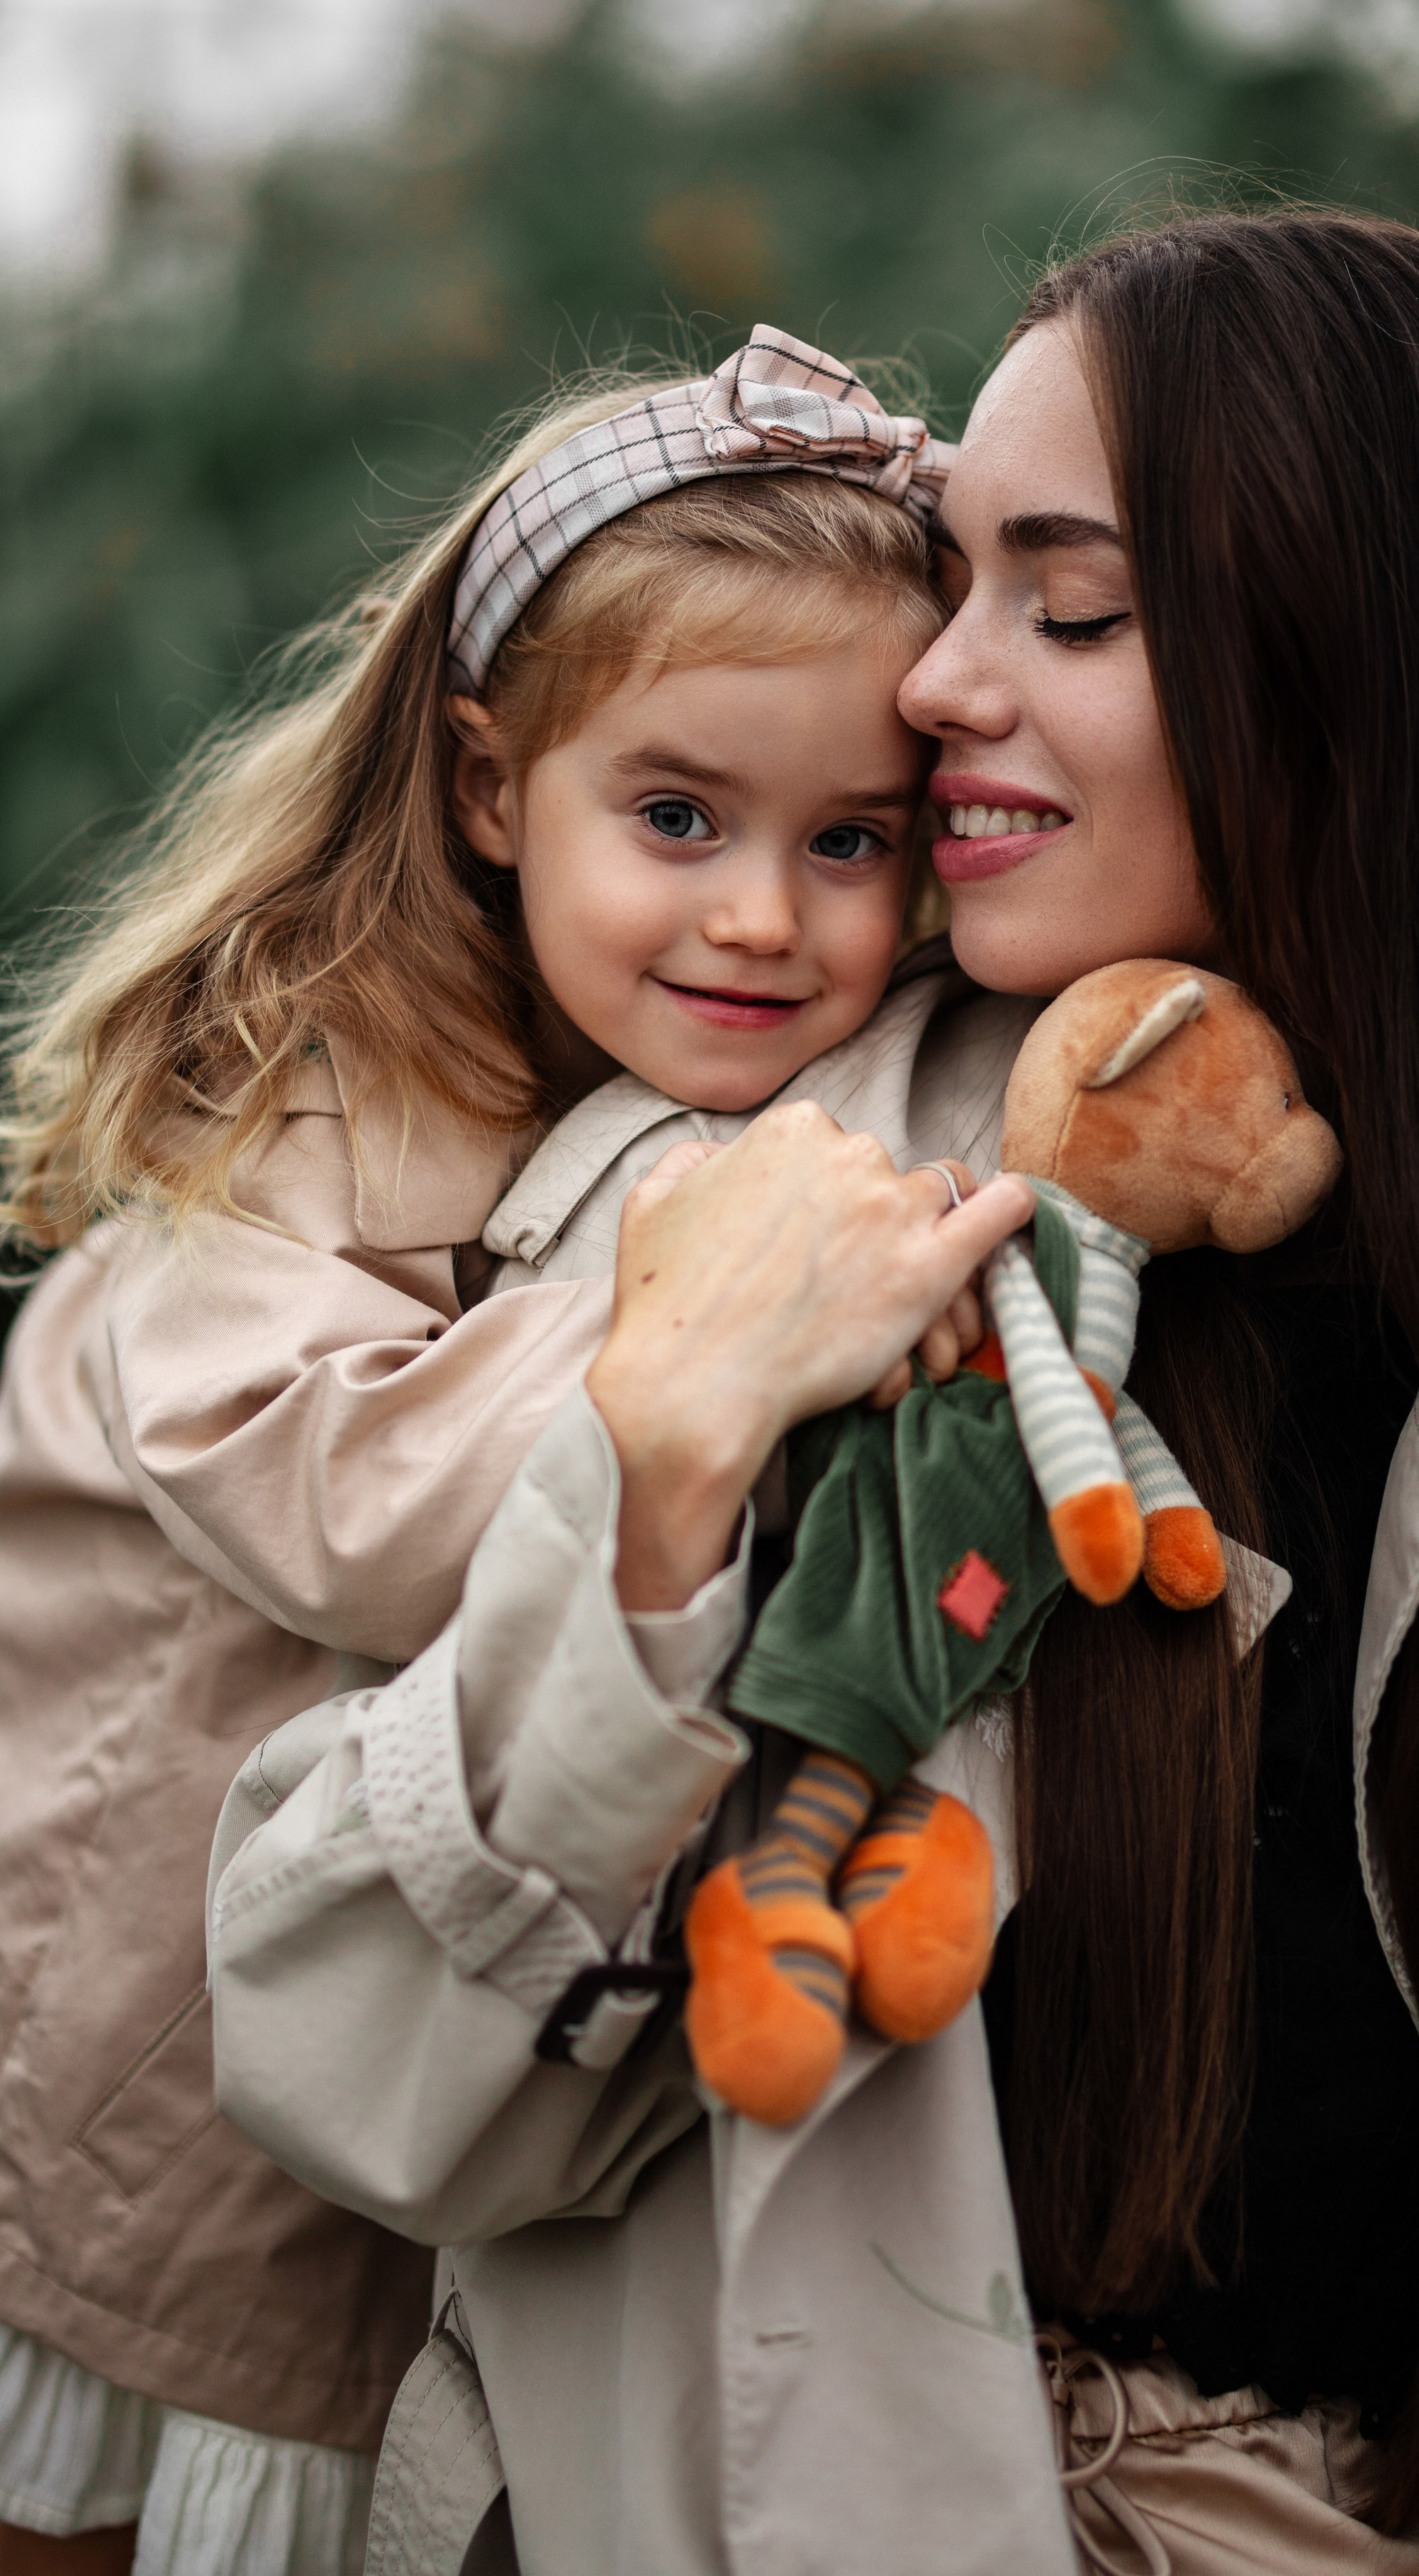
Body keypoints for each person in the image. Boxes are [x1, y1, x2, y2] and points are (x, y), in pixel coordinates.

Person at [210, 211, 1419, 2576]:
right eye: (956, 584)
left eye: (1068, 609)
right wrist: (654, 1503)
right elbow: (349, 2074)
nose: (937, 686)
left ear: (1376, 685)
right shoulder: (772, 1197)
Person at [0, 326, 1013, 2576]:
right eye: (678, 818)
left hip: (473, 2035)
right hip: (166, 2087)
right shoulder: (310, 1076)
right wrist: (710, 1313)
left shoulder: (766, 1074)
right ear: (487, 786)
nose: (763, 912)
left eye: (851, 841)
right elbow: (337, 1502)